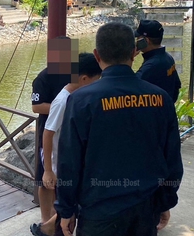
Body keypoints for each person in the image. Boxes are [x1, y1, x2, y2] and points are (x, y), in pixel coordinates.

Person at [56, 22, 183, 236]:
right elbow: (171, 157)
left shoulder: (81, 101)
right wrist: (165, 201)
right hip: (145, 207)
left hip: (99, 211)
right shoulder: (161, 98)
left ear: (97, 55)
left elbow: (69, 161)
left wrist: (66, 210)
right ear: (134, 53)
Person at [34, 53, 102, 236]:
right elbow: (47, 134)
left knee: (69, 204)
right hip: (60, 163)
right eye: (96, 80)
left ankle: (47, 228)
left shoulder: (75, 96)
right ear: (84, 78)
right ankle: (46, 229)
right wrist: (48, 169)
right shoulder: (63, 101)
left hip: (69, 161)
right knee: (69, 204)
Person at [30, 37, 72, 236]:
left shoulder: (74, 75)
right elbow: (36, 106)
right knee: (44, 180)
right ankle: (45, 220)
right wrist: (63, 108)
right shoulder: (44, 77)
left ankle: (59, 218)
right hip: (48, 132)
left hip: (70, 133)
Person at [135, 19, 182, 102]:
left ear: (146, 41)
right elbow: (176, 86)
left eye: (138, 38)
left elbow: (128, 86)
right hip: (165, 110)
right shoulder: (168, 58)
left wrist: (129, 58)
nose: (136, 41)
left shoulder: (151, 66)